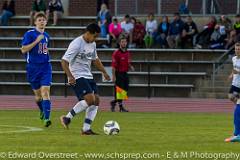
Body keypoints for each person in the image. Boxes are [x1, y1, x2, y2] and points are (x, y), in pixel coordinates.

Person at [60, 23, 111, 135]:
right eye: (95, 36)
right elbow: (64, 61)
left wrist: (104, 72)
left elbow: (95, 60)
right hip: (77, 75)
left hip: (88, 75)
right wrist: (70, 76)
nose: (95, 39)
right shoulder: (76, 44)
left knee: (96, 101)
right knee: (90, 99)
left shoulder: (92, 44)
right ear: (88, 33)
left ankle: (86, 129)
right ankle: (67, 118)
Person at [21, 12, 52, 127]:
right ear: (35, 22)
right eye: (39, 20)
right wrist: (36, 41)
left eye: (43, 20)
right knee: (38, 96)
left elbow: (44, 50)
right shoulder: (29, 34)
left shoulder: (47, 36)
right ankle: (42, 110)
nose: (41, 21)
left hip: (45, 67)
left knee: (45, 92)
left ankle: (47, 119)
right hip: (32, 68)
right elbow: (23, 50)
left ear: (46, 22)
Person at [110, 35, 134, 112]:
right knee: (120, 91)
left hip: (125, 73)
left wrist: (130, 66)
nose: (124, 43)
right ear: (119, 43)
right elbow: (113, 66)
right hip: (118, 73)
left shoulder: (127, 52)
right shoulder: (116, 53)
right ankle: (120, 107)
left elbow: (127, 62)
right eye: (122, 42)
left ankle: (113, 102)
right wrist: (113, 76)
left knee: (125, 91)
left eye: (125, 42)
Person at [225, 42, 240, 142]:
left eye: (239, 49)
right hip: (235, 84)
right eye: (236, 49)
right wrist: (231, 74)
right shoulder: (234, 58)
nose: (237, 50)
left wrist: (238, 72)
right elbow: (234, 68)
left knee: (237, 111)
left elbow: (237, 70)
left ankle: (237, 135)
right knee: (230, 96)